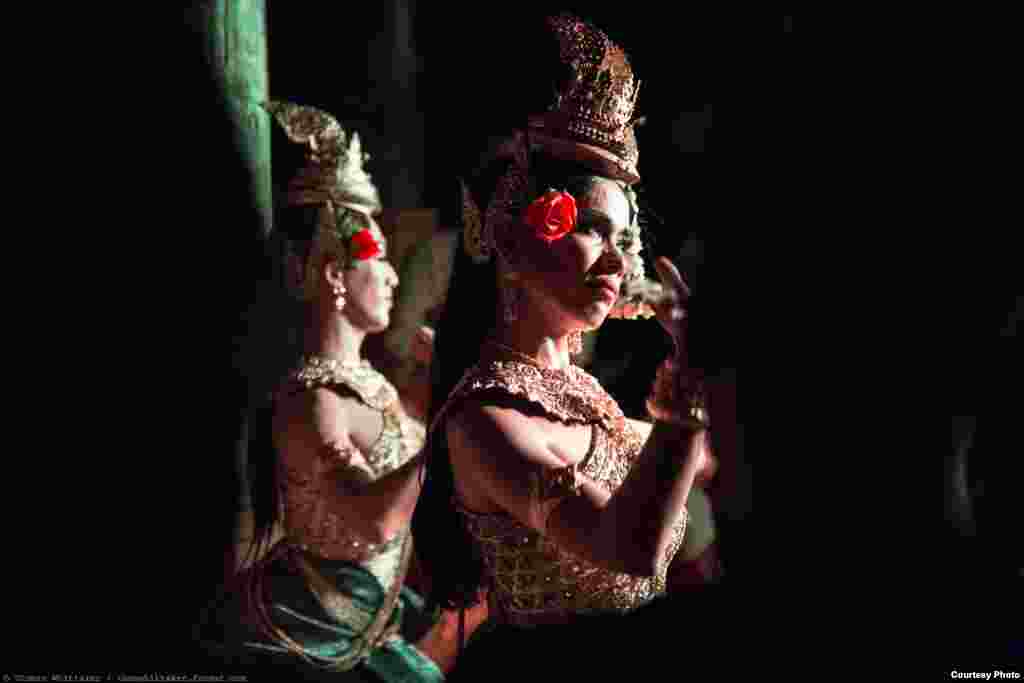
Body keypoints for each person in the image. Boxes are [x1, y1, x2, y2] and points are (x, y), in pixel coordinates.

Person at [413, 12, 713, 649]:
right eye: (594, 230)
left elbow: (701, 460)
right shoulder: (483, 417)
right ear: (511, 239)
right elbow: (630, 546)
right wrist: (689, 383)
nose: (618, 260)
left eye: (625, 239)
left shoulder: (584, 397)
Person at [196, 100, 443, 682]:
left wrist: (439, 384)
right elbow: (375, 522)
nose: (392, 275)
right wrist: (449, 423)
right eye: (377, 259)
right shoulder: (313, 402)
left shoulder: (374, 383)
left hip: (372, 621)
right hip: (318, 640)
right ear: (335, 274)